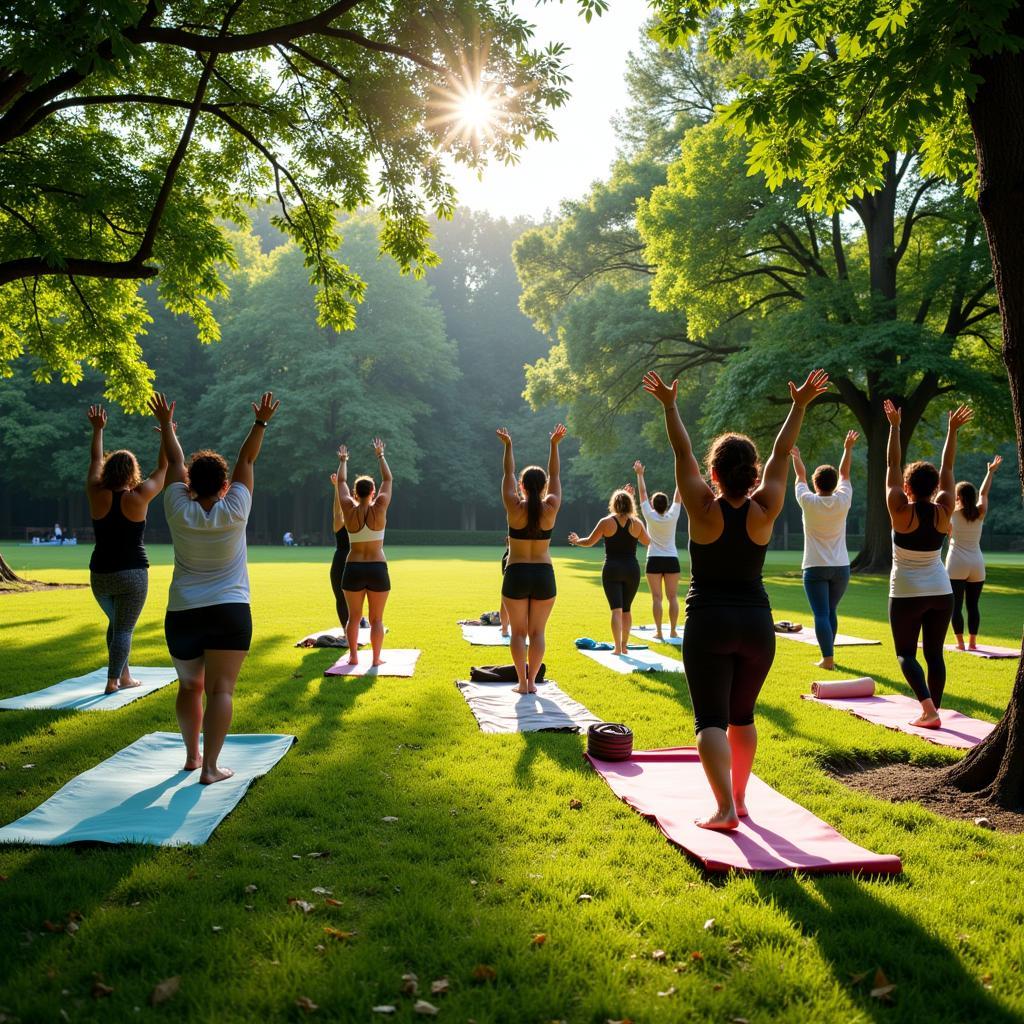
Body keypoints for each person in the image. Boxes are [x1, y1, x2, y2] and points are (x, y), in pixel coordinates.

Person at [644, 367, 830, 830]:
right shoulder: (765, 508)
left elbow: (681, 449)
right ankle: (741, 801)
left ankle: (725, 808)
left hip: (709, 621)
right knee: (742, 716)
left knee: (710, 718)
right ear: (751, 474)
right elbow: (783, 453)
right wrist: (799, 404)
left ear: (714, 474)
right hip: (756, 627)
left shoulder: (702, 508)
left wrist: (670, 405)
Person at [150, 389, 280, 784]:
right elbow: (247, 459)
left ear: (190, 483)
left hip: (183, 612)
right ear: (225, 485)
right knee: (221, 690)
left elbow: (174, 459)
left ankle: (192, 757)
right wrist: (260, 422)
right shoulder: (236, 507)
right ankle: (210, 769)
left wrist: (166, 427)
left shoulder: (177, 505)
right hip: (229, 610)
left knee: (191, 686)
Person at [884, 399, 972, 729]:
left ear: (907, 487)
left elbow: (892, 464)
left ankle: (928, 710)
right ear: (935, 488)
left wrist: (895, 427)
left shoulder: (899, 509)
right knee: (934, 655)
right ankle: (934, 710)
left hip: (906, 591)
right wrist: (952, 431)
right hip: (940, 590)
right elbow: (949, 469)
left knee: (906, 653)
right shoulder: (944, 508)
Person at [85, 404, 169, 694]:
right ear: (132, 471)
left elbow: (96, 457)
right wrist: (165, 435)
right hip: (132, 574)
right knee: (123, 628)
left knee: (116, 624)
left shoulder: (96, 492)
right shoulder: (140, 496)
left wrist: (98, 429)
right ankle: (114, 681)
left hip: (100, 575)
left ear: (110, 469)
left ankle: (126, 675)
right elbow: (163, 469)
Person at [498, 424, 567, 693]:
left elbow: (507, 472)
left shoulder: (514, 506)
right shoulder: (551, 507)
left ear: (522, 486)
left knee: (518, 632)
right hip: (543, 575)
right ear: (545, 487)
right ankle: (533, 683)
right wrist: (554, 445)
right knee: (538, 633)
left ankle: (522, 683)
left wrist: (508, 446)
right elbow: (555, 473)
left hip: (516, 573)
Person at [790, 430, 858, 670]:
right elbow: (845, 473)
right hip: (841, 568)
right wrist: (847, 448)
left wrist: (795, 456)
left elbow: (800, 476)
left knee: (821, 614)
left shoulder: (808, 501)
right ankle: (829, 656)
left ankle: (827, 659)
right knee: (830, 611)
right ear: (833, 484)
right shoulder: (843, 499)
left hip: (815, 567)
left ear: (816, 484)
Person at [568, 486, 651, 654]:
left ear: (613, 504)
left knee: (616, 609)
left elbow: (590, 541)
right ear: (630, 504)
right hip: (631, 569)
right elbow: (647, 542)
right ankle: (624, 645)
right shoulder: (637, 523)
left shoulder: (606, 522)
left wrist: (577, 541)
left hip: (612, 569)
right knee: (626, 609)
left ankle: (617, 648)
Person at [336, 439, 392, 664]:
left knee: (353, 617)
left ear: (355, 493)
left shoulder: (348, 509)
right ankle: (376, 659)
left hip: (353, 568)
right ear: (372, 491)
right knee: (377, 619)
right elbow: (388, 479)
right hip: (377, 567)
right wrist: (380, 455)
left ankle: (353, 657)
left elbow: (340, 481)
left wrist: (343, 460)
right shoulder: (380, 506)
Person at [946, 454, 1002, 650]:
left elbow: (946, 531)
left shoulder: (951, 512)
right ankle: (972, 643)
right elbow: (984, 494)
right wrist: (989, 473)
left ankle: (960, 643)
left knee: (956, 606)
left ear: (958, 497)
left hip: (956, 564)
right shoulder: (980, 512)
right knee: (973, 606)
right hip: (977, 564)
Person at [634, 461, 683, 640]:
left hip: (654, 559)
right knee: (673, 598)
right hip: (671, 559)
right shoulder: (673, 514)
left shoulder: (649, 515)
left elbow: (642, 494)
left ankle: (659, 632)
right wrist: (682, 474)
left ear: (653, 505)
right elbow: (679, 493)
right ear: (667, 504)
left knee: (657, 598)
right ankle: (672, 631)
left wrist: (640, 474)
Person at [329, 454, 351, 630]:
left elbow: (338, 510)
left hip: (343, 561)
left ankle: (347, 630)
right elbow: (339, 510)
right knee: (349, 599)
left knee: (341, 598)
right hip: (354, 560)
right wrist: (338, 487)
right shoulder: (360, 522)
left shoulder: (341, 523)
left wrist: (337, 487)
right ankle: (351, 629)